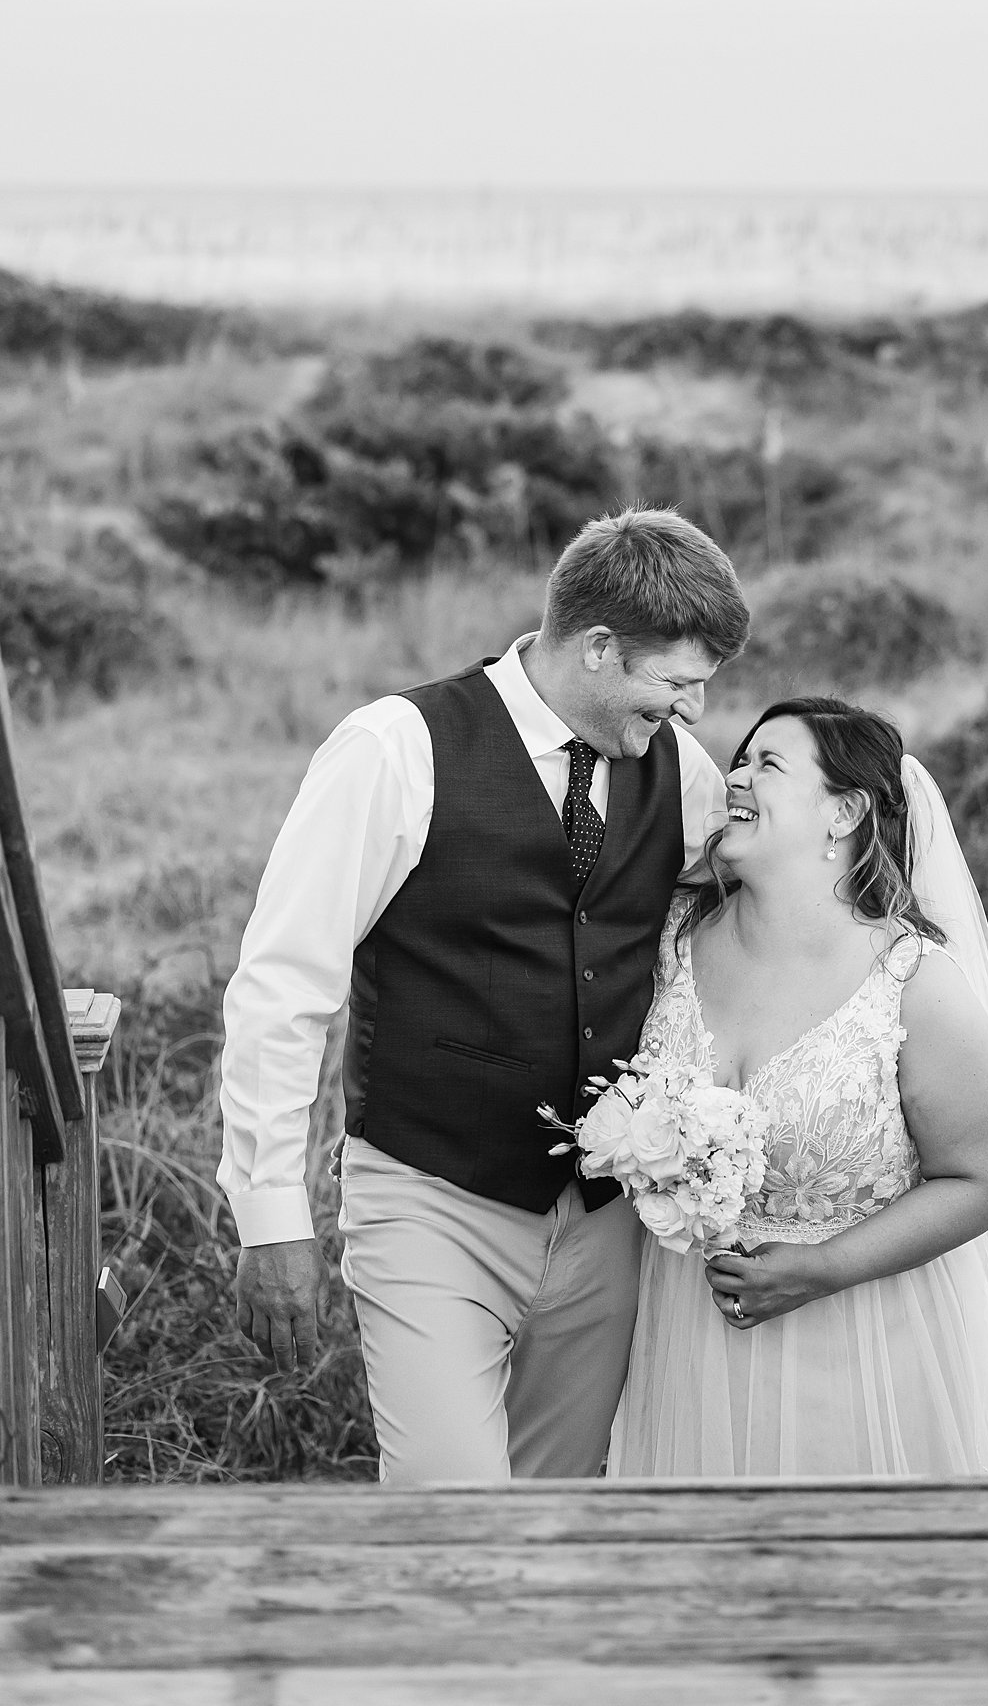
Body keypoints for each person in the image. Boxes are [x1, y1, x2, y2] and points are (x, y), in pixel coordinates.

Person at [217, 507, 748, 1483]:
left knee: (562, 1521)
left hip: (607, 1224)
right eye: (677, 683)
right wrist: (271, 1212)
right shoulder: (395, 747)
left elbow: (724, 950)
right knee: (448, 1514)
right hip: (431, 1197)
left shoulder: (687, 775)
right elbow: (283, 984)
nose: (692, 711)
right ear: (598, 647)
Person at [608, 696, 988, 1478]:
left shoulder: (912, 984)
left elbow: (982, 1178)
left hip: (866, 1339)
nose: (735, 776)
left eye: (767, 764)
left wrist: (821, 1268)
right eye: (740, 758)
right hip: (689, 1334)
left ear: (844, 812)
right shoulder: (670, 941)